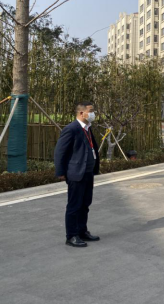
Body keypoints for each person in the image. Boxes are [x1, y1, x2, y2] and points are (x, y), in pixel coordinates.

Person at [54, 102, 101, 248]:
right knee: (74, 205)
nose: (93, 114)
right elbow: (60, 152)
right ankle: (71, 236)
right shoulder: (71, 129)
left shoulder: (87, 128)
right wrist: (60, 172)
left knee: (85, 204)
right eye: (91, 111)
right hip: (76, 173)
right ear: (82, 113)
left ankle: (82, 231)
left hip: (88, 173)